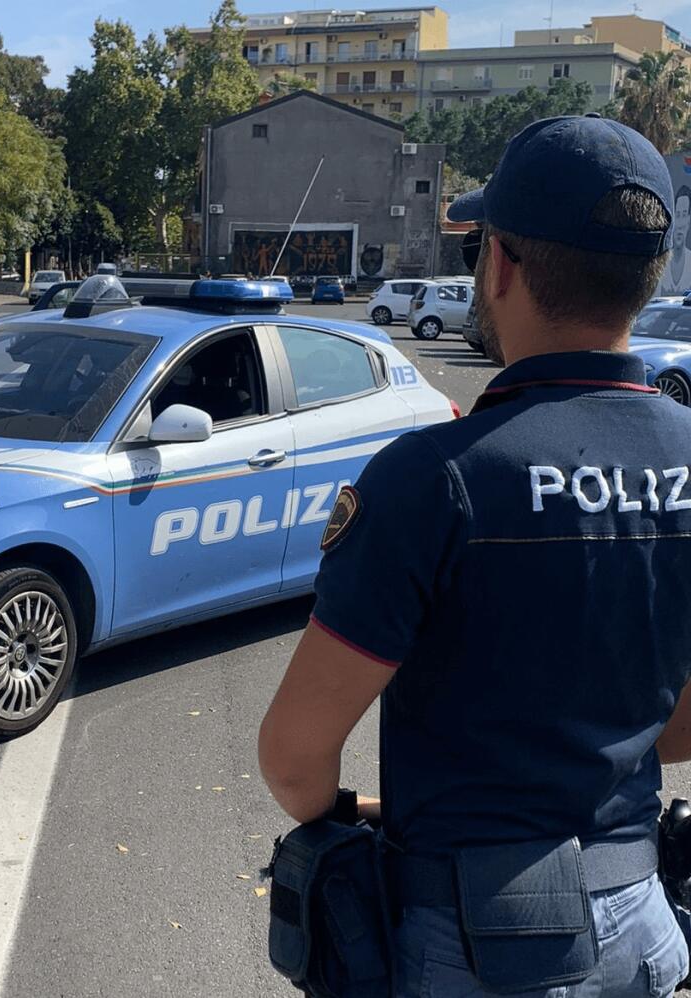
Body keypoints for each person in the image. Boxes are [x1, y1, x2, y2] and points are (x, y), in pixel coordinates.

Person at [259, 114, 691, 996]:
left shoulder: (433, 479)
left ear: (497, 265)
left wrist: (349, 815)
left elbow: (295, 754)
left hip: (477, 947)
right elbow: (681, 729)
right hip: (644, 922)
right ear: (646, 281)